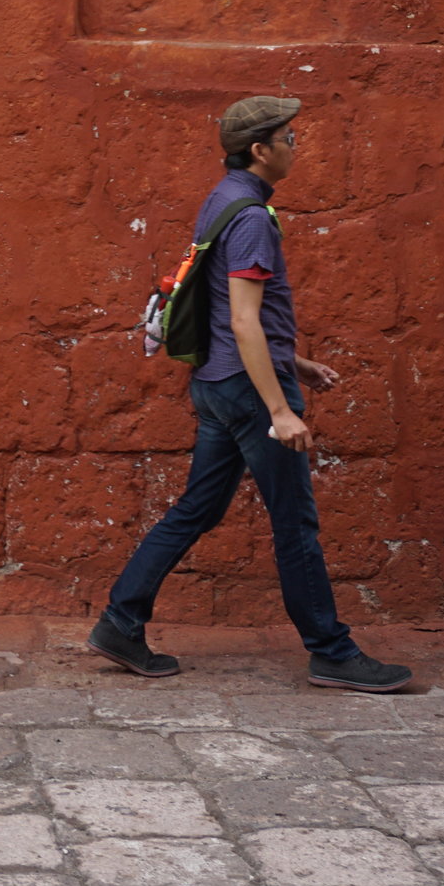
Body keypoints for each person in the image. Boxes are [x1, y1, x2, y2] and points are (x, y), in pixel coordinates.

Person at [87, 95, 414, 693]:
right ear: (261, 150)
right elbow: (243, 320)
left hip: (215, 383)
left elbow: (223, 314)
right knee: (294, 524)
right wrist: (280, 407)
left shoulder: (222, 201)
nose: (296, 147)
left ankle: (120, 622)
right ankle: (331, 652)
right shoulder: (252, 220)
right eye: (290, 138)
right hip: (246, 391)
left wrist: (294, 360)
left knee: (198, 509)